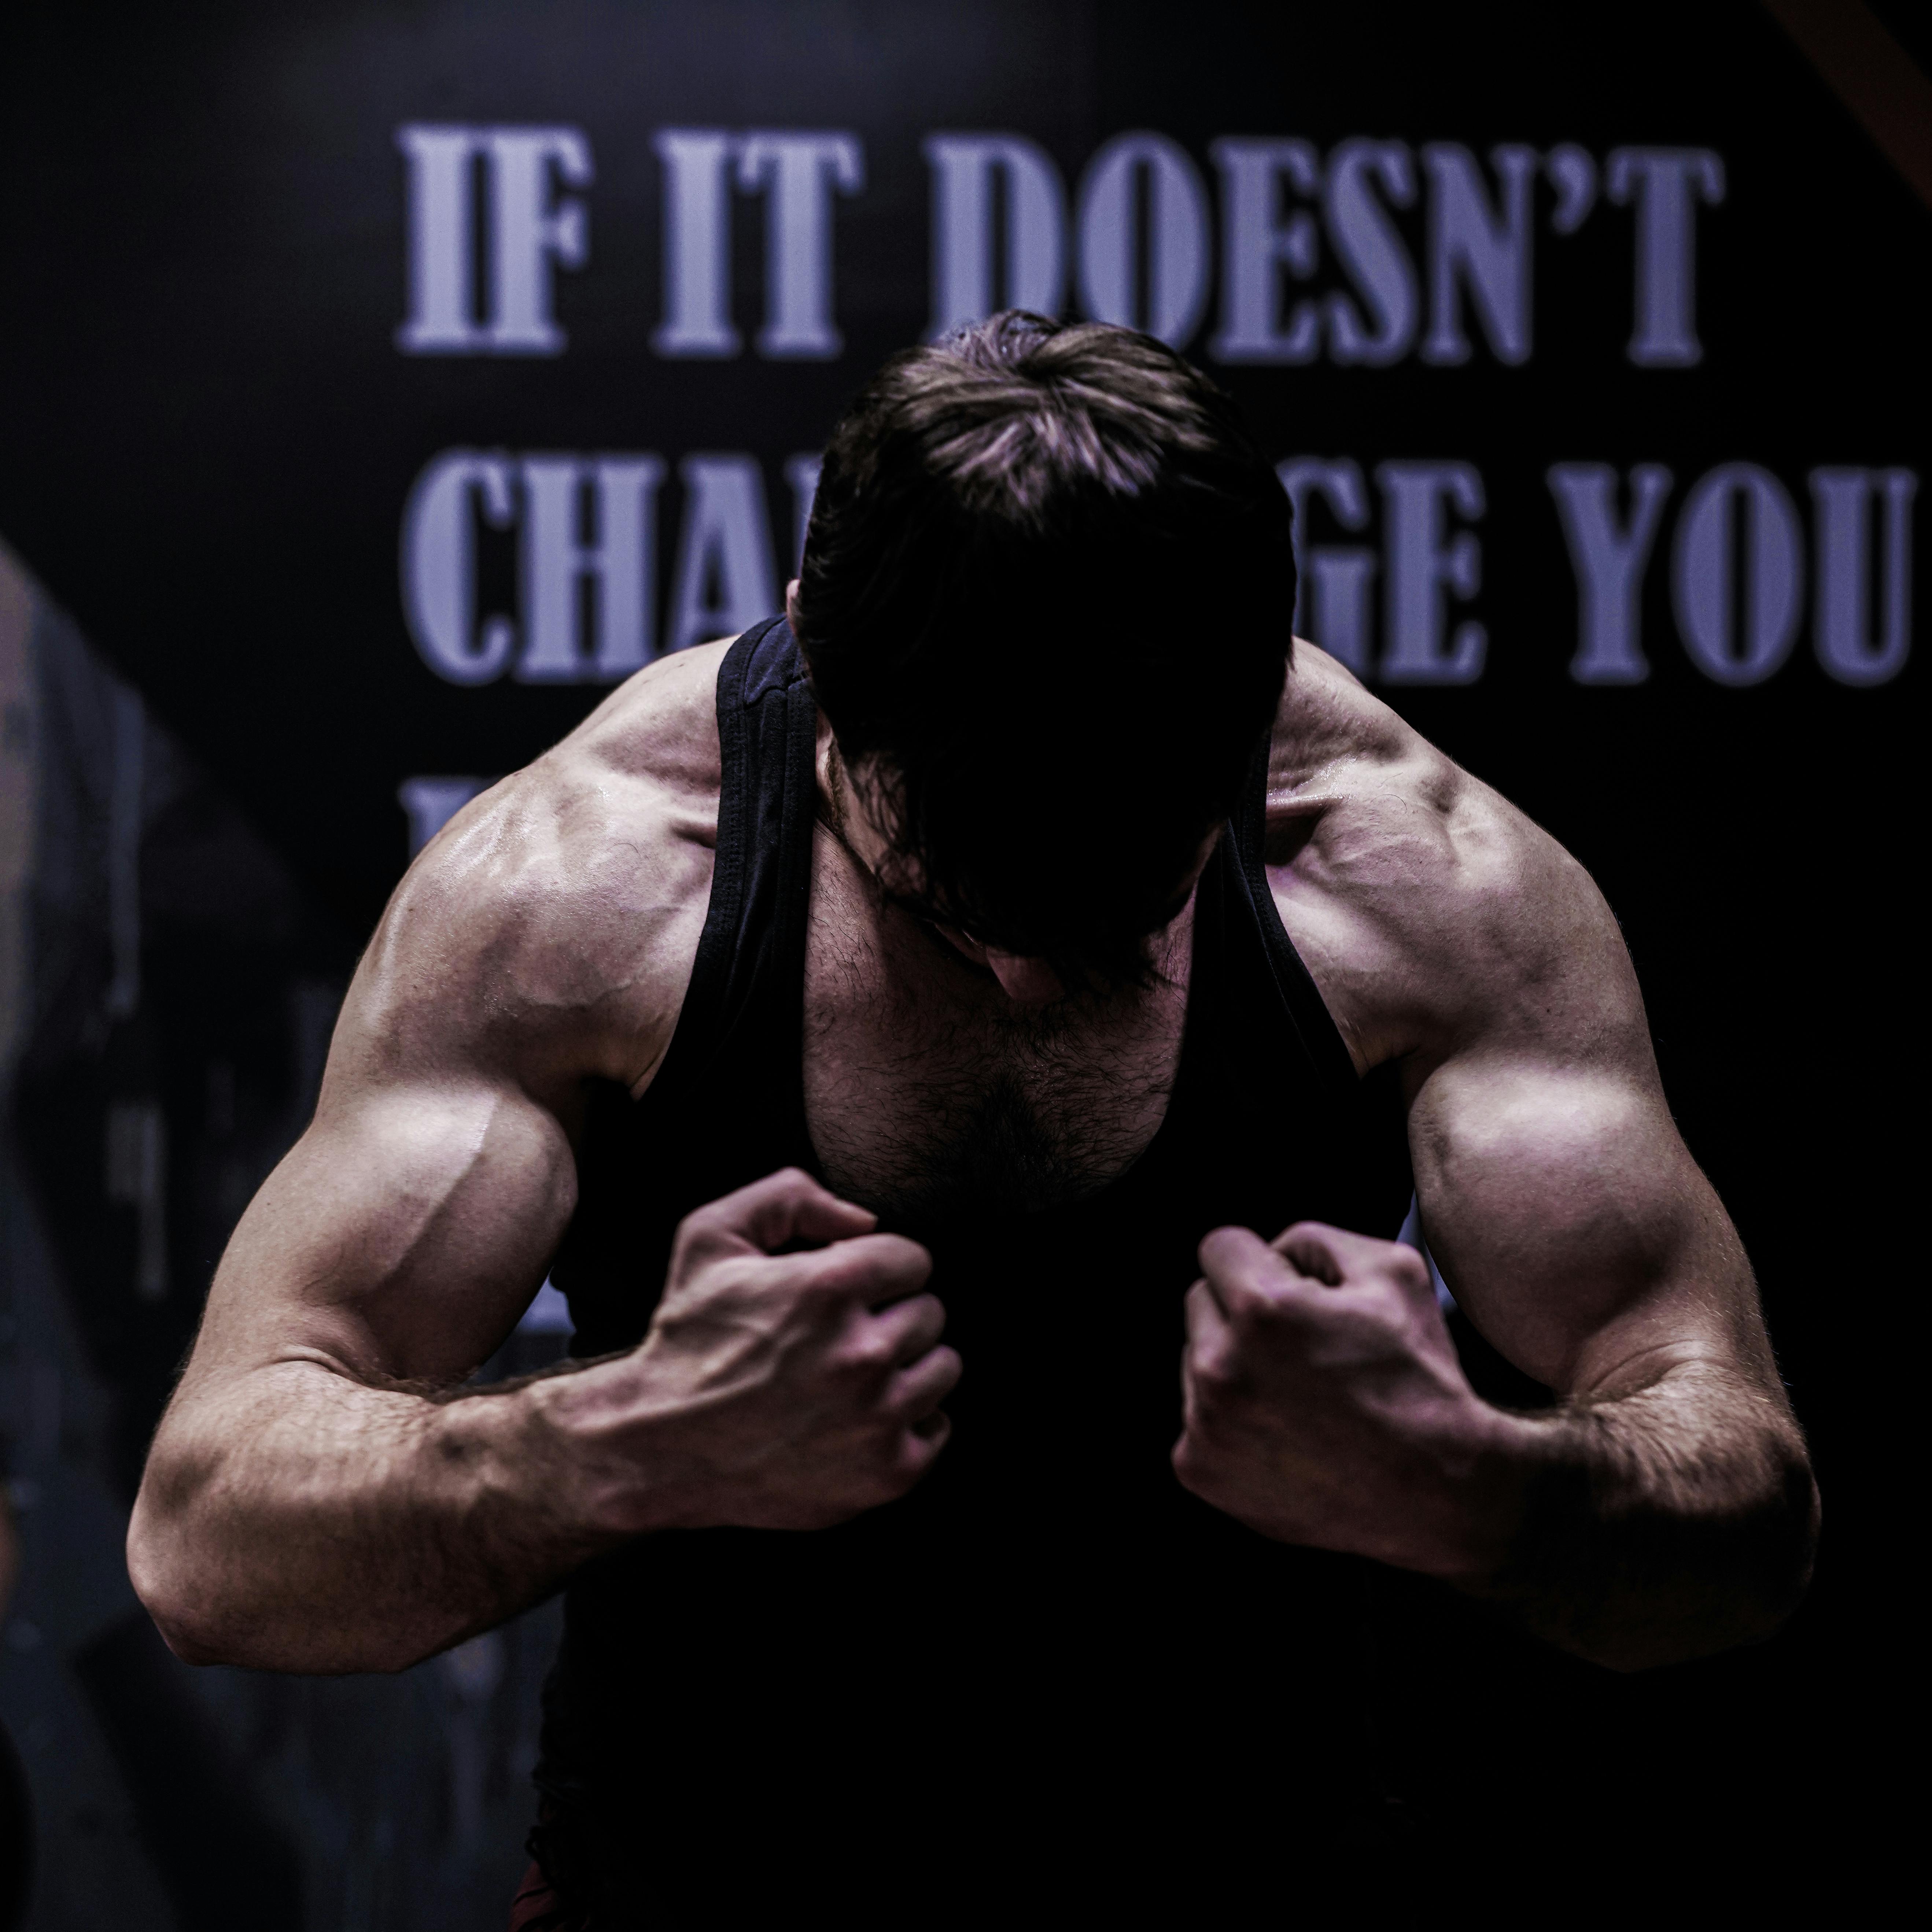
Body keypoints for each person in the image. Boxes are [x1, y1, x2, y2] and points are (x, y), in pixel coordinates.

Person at [128, 313, 1817, 1925]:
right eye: (952, 908)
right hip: (692, 1887)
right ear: (812, 643)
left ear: (1252, 719)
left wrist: (1474, 1484)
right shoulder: (578, 892)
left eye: (1119, 911)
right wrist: (625, 1440)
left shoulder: (1430, 891)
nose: (1017, 983)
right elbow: (208, 1544)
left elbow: (1746, 1507)